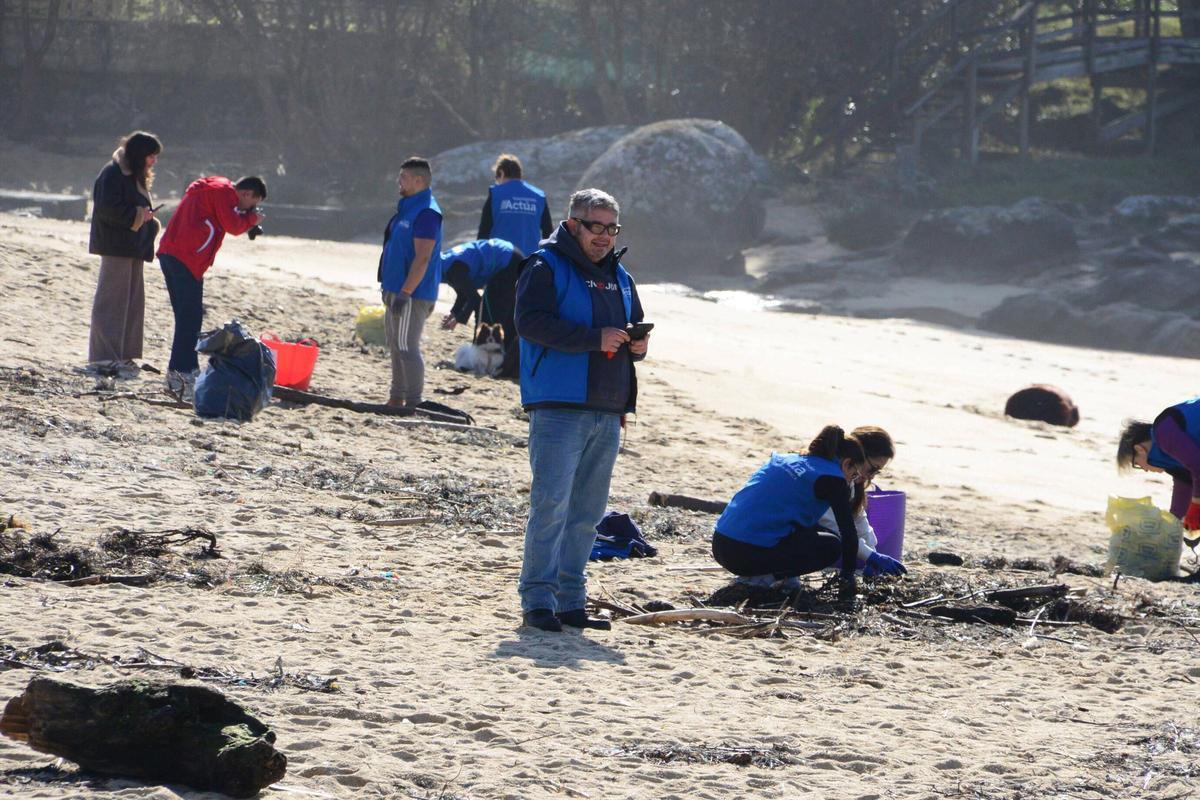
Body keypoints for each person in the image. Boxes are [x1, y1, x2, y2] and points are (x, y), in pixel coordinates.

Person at [515, 188, 648, 632]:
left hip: (607, 408)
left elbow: (629, 332)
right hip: (558, 404)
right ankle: (537, 601)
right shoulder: (544, 265)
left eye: (612, 228)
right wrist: (595, 338)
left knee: (588, 513)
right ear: (572, 224)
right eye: (596, 226)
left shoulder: (621, 276)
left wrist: (638, 345)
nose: (605, 236)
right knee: (551, 504)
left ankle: (572, 600)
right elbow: (529, 323)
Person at [712, 425, 906, 604]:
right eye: (870, 469)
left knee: (806, 528)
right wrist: (850, 579)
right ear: (850, 462)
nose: (869, 477)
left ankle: (776, 574)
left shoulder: (797, 460)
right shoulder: (833, 481)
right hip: (742, 553)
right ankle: (760, 578)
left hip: (721, 541)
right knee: (830, 545)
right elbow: (844, 532)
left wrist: (873, 549)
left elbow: (858, 518)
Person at [156, 175, 266, 399]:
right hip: (187, 257)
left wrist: (247, 216)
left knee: (186, 318)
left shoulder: (213, 187)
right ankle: (181, 373)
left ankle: (184, 370)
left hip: (173, 252)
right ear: (246, 193)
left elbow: (226, 219)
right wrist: (252, 219)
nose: (249, 208)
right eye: (252, 203)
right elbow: (233, 226)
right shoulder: (222, 193)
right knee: (190, 319)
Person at [86, 130, 163, 378]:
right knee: (111, 302)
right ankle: (103, 356)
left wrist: (145, 218)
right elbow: (107, 209)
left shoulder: (133, 174)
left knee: (131, 301)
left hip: (133, 246)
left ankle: (125, 354)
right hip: (115, 245)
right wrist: (140, 215)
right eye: (151, 156)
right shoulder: (112, 173)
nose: (154, 161)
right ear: (140, 154)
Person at [378, 157, 443, 408]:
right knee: (395, 345)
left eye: (403, 177)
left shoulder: (426, 212)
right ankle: (396, 397)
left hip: (413, 293)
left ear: (419, 180)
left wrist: (405, 292)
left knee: (407, 346)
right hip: (394, 288)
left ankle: (414, 401)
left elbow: (423, 257)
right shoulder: (407, 207)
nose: (399, 181)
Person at [815, 426, 904, 576]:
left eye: (878, 472)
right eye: (872, 469)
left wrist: (873, 554)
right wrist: (870, 556)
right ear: (858, 454)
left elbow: (859, 521)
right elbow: (835, 525)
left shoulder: (850, 481)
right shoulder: (828, 476)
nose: (872, 476)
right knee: (832, 545)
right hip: (775, 540)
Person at [439, 237, 525, 378]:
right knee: (503, 314)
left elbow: (474, 299)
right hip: (511, 258)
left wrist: (459, 319)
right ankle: (506, 363)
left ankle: (494, 364)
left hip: (509, 263)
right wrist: (454, 313)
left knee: (489, 315)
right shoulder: (448, 264)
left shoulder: (453, 270)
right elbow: (464, 294)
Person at [1117, 397, 1200, 531]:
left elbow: (1198, 466)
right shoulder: (1171, 459)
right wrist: (1176, 527)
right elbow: (1184, 486)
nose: (1144, 470)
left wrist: (1196, 505)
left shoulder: (1164, 433)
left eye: (1137, 464)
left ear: (1140, 449)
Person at [477, 154, 552, 258]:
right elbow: (548, 233)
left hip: (500, 261)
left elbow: (483, 232)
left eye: (496, 178)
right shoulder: (539, 196)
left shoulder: (496, 194)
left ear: (501, 173)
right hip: (530, 263)